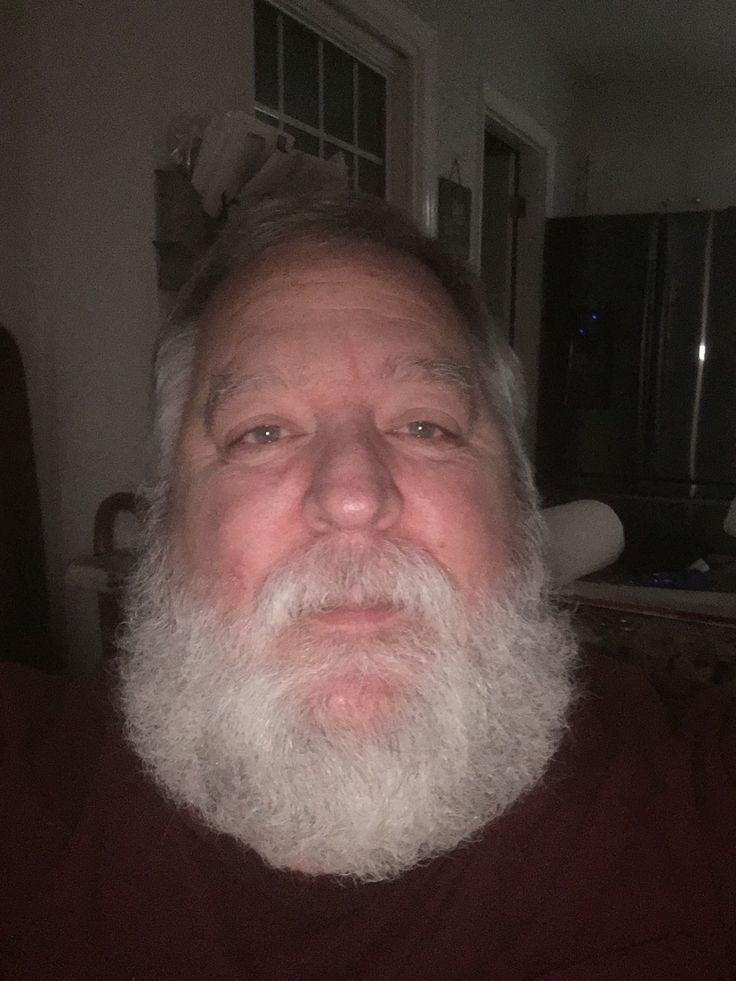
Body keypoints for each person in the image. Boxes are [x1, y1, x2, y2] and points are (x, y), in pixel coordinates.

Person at [1, 192, 734, 980]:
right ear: (166, 526)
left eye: (426, 426)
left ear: (521, 510)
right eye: (262, 431)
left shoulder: (697, 817)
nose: (352, 495)